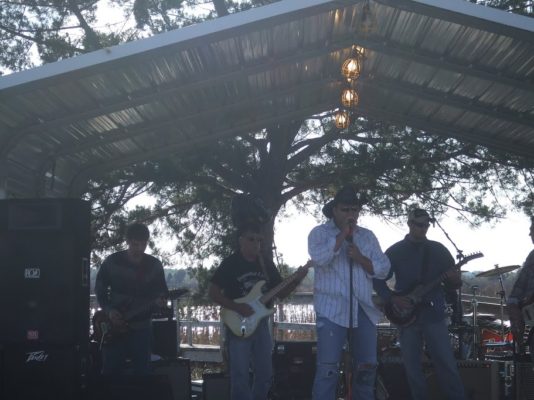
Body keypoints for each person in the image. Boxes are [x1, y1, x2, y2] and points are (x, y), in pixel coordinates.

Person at [308, 185, 391, 400]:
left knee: (366, 367)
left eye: (354, 210)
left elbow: (383, 269)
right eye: (345, 210)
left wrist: (362, 258)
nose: (351, 215)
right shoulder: (319, 233)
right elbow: (319, 258)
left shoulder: (367, 236)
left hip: (362, 308)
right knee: (328, 369)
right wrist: (342, 236)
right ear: (334, 210)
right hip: (331, 309)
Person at [209, 222, 308, 400]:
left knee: (265, 374)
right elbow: (213, 293)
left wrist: (296, 280)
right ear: (241, 241)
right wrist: (237, 306)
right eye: (251, 239)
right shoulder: (231, 263)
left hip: (260, 324)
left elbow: (282, 293)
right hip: (237, 323)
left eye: (259, 240)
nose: (256, 243)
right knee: (240, 376)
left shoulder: (266, 265)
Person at [374, 208, 465, 400]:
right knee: (412, 368)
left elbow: (453, 285)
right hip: (406, 316)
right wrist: (391, 298)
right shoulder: (395, 251)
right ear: (409, 224)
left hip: (434, 315)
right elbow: (378, 279)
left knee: (446, 364)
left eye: (426, 225)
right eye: (419, 224)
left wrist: (455, 279)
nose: (424, 228)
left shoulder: (439, 250)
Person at [95, 222, 168, 375]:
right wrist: (109, 311)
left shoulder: (154, 265)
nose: (139, 249)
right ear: (127, 241)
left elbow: (161, 293)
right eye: (135, 244)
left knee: (143, 373)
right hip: (113, 326)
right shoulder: (112, 261)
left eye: (143, 244)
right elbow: (100, 290)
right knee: (110, 372)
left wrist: (160, 303)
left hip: (142, 328)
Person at [507, 216, 534, 357]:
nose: (530, 234)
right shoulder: (532, 256)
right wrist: (513, 304)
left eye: (532, 230)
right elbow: (519, 287)